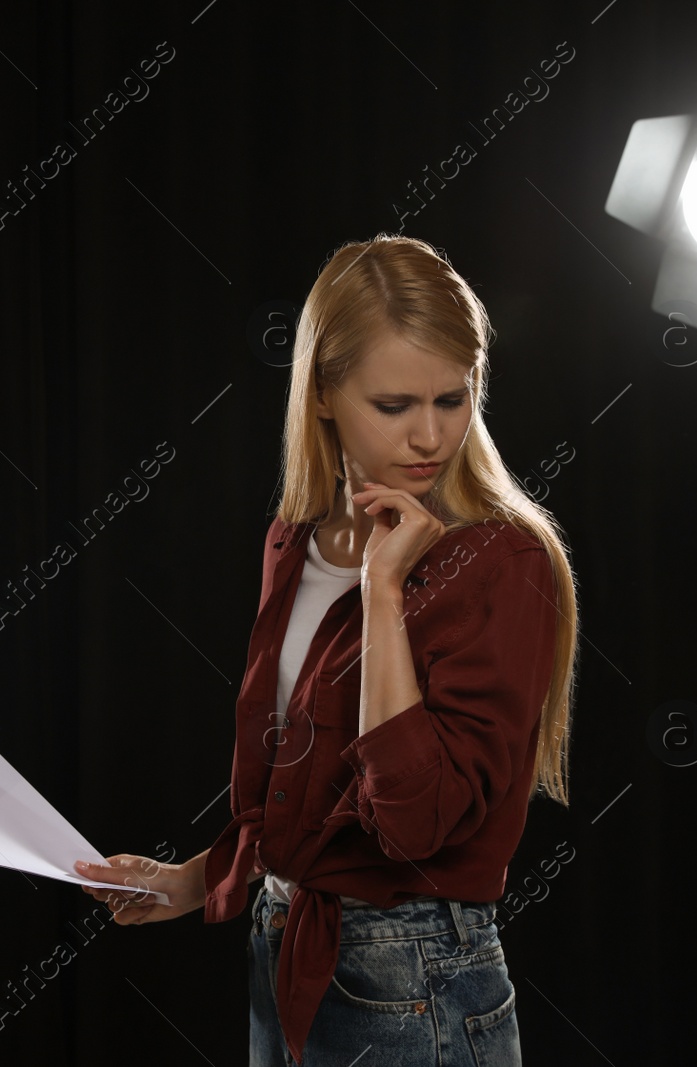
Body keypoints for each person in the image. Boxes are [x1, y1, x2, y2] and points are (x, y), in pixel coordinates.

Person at [79, 235, 580, 1066]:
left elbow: (414, 824)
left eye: (453, 399)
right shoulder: (295, 539)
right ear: (321, 393)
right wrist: (192, 880)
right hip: (285, 947)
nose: (431, 435)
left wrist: (384, 592)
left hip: (416, 965)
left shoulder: (501, 557)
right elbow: (297, 793)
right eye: (394, 405)